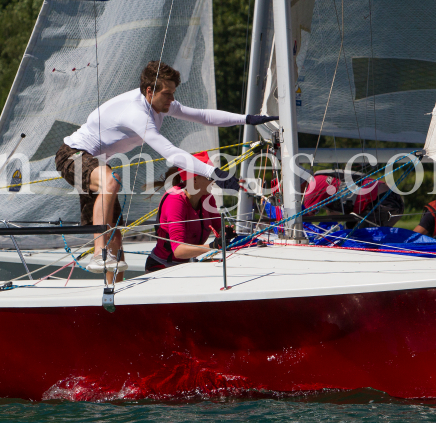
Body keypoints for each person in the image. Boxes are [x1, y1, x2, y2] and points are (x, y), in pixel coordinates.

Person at [55, 60, 276, 274]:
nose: (172, 99)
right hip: (72, 154)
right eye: (167, 94)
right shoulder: (137, 114)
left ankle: (116, 292)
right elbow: (170, 152)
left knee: (116, 234)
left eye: (173, 93)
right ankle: (99, 254)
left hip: (96, 162)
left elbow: (202, 116)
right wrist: (213, 173)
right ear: (150, 91)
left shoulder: (160, 103)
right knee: (110, 182)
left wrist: (248, 119)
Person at [145, 152, 235, 272]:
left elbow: (219, 228)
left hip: (187, 265)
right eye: (210, 177)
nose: (214, 180)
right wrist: (212, 246)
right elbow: (178, 251)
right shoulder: (175, 200)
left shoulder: (207, 198)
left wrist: (225, 233)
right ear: (195, 179)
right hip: (163, 267)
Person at [302, 170, 403, 228]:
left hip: (382, 201)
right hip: (389, 198)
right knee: (350, 237)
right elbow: (333, 215)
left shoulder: (312, 188)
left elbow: (302, 222)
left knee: (364, 242)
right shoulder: (319, 179)